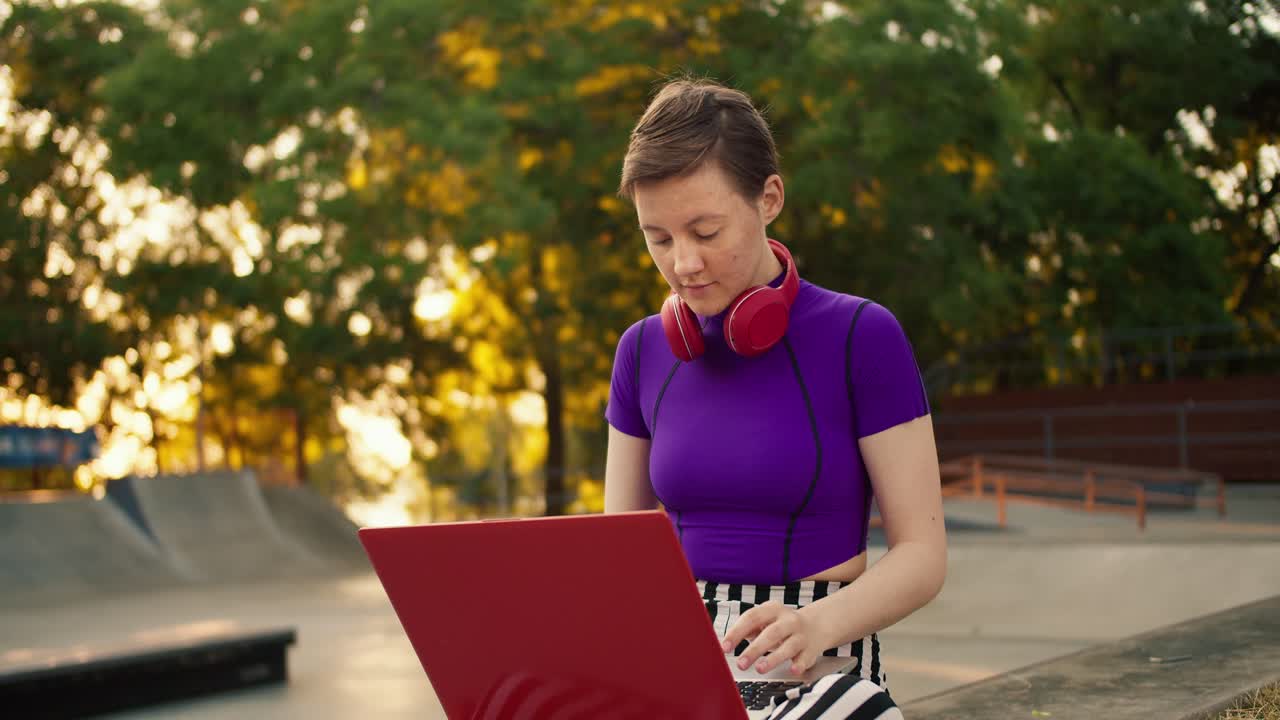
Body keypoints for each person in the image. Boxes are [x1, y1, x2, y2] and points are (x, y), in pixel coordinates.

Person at [603, 78, 947, 719]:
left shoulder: (862, 336)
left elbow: (922, 556)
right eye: (659, 238)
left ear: (769, 199)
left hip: (818, 665)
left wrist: (817, 624)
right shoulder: (640, 351)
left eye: (706, 231)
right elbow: (619, 556)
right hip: (678, 669)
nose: (683, 264)